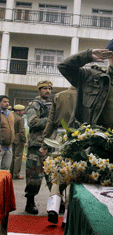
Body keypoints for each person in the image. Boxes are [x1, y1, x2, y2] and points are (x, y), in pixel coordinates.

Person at [40, 86, 76, 224]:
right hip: (79, 136)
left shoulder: (58, 96)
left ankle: (53, 207)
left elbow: (50, 121)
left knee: (58, 172)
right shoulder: (86, 96)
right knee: (74, 175)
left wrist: (44, 143)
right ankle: (67, 215)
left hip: (59, 137)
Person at [24, 80, 53, 214]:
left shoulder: (53, 105)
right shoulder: (34, 105)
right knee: (34, 175)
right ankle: (30, 202)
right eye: (45, 88)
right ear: (39, 90)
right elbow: (32, 122)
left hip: (51, 144)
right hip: (36, 145)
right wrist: (50, 120)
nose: (48, 91)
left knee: (53, 175)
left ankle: (55, 203)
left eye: (49, 88)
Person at [10, 104, 27, 179]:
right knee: (18, 156)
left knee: (11, 156)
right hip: (18, 138)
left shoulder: (10, 116)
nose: (23, 112)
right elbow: (21, 131)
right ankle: (16, 174)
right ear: (18, 111)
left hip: (11, 137)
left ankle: (10, 172)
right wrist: (24, 140)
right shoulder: (20, 119)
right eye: (22, 111)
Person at [0, 95, 14, 170]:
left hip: (8, 147)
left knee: (5, 170)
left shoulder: (10, 114)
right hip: (1, 147)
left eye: (8, 102)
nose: (7, 103)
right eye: (4, 102)